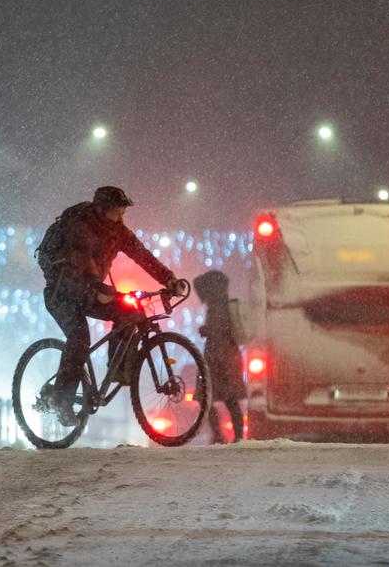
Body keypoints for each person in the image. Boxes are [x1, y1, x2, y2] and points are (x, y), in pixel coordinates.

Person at [38, 186, 186, 425]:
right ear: (103, 209)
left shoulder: (117, 232)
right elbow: (77, 267)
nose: (122, 216)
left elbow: (142, 255)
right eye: (118, 211)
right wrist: (95, 289)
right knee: (79, 339)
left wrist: (168, 279)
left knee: (131, 312)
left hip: (91, 292)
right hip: (63, 294)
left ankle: (118, 371)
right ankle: (61, 400)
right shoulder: (81, 228)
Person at [193, 270, 245, 444]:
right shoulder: (224, 305)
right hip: (226, 357)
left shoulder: (217, 307)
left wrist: (206, 330)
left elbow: (218, 331)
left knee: (207, 398)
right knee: (228, 399)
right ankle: (235, 436)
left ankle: (221, 435)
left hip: (219, 358)